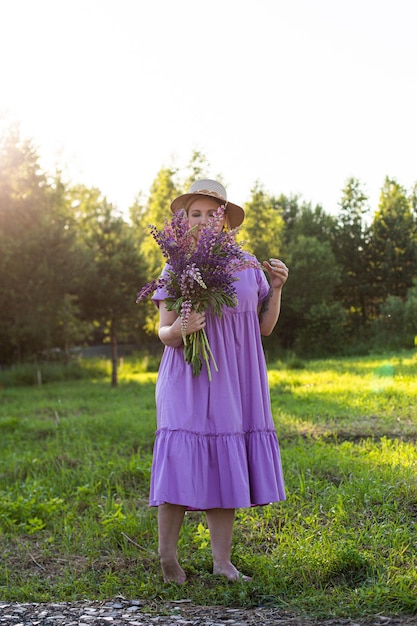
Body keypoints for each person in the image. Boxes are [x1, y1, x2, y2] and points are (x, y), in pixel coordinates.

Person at [150, 179, 289, 584]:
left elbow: (263, 329)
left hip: (235, 377)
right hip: (187, 376)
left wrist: (277, 289)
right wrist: (181, 328)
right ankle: (167, 557)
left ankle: (222, 562)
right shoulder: (176, 264)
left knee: (225, 461)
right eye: (196, 213)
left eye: (213, 212)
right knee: (181, 459)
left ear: (225, 217)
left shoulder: (249, 265)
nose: (205, 219)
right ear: (185, 219)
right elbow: (163, 333)